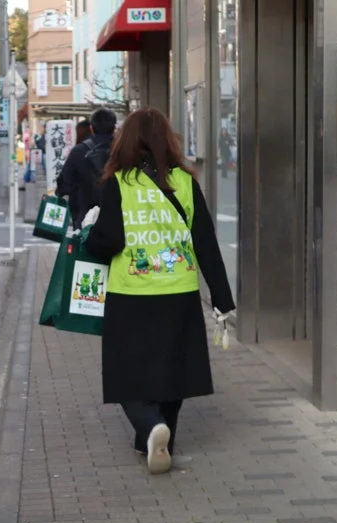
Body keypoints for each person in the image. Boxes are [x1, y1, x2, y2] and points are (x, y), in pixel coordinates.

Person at [84, 107, 235, 475]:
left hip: (132, 293)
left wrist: (90, 237)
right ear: (168, 141)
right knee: (174, 368)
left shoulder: (120, 183)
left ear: (126, 141)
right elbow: (205, 243)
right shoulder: (185, 182)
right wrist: (222, 299)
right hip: (179, 291)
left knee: (126, 371)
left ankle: (151, 428)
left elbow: (109, 241)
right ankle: (156, 441)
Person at [55, 108, 117, 228]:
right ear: (114, 128)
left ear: (91, 128)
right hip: (119, 219)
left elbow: (63, 185)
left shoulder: (78, 151)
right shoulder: (123, 150)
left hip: (85, 219)